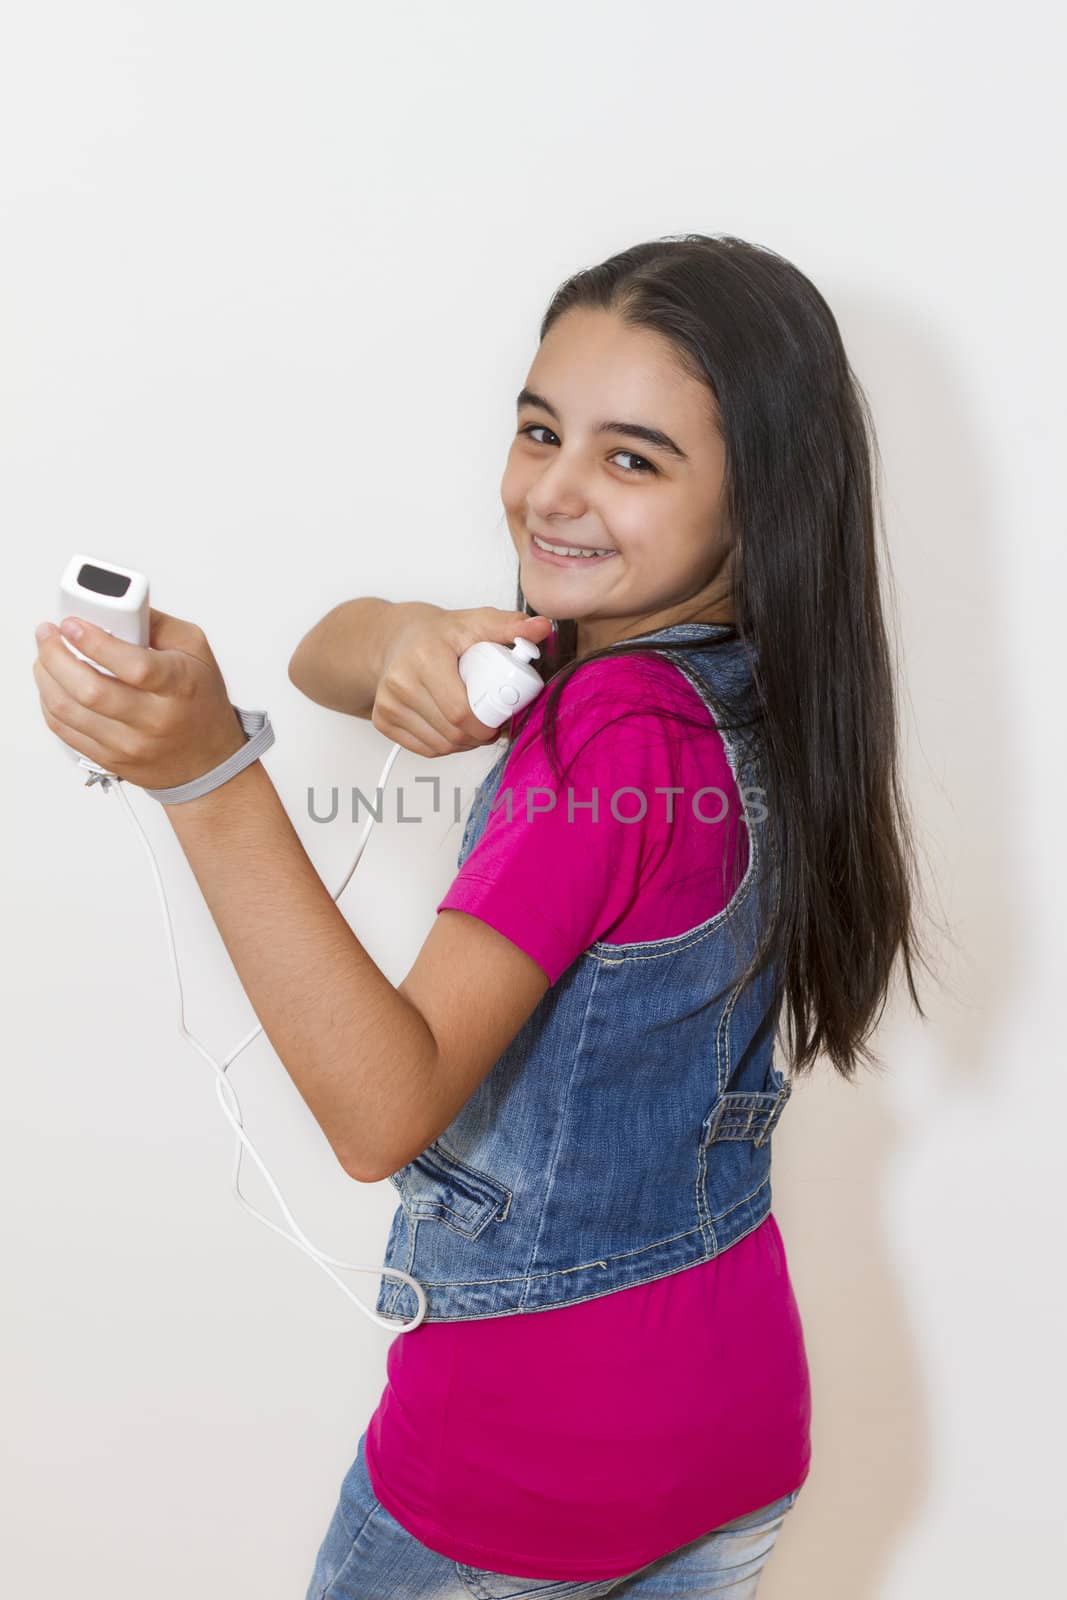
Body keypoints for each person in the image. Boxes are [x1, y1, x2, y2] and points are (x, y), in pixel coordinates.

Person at [287, 234, 932, 1597]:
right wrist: (404, 631)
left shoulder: (612, 729)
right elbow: (321, 651)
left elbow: (377, 1108)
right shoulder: (753, 683)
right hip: (733, 1429)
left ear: (753, 502)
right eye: (539, 430)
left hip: (520, 1471)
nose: (554, 492)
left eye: (632, 460)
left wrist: (203, 783)